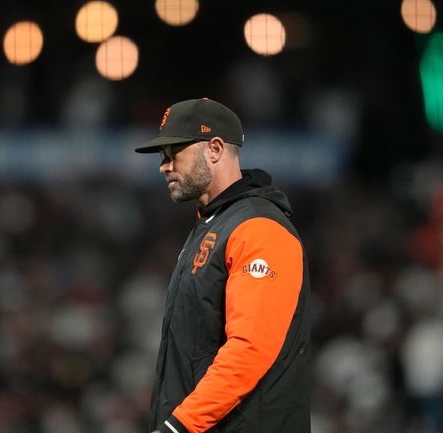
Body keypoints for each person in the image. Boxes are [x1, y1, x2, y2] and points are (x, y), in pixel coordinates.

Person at [134, 98, 312, 433]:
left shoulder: (258, 227)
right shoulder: (213, 225)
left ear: (214, 148)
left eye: (174, 152)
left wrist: (180, 426)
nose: (164, 165)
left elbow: (250, 349)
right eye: (162, 156)